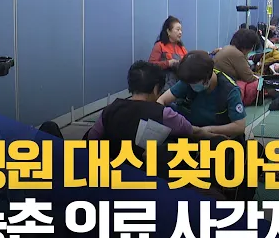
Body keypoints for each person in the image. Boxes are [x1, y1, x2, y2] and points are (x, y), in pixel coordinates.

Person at [86, 62, 214, 163]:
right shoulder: (164, 114)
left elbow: (92, 139)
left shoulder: (109, 109)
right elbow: (191, 131)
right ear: (156, 88)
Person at [157, 50, 246, 140]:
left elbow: (239, 126)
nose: (191, 86)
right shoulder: (189, 80)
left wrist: (208, 130)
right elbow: (161, 100)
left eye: (194, 84)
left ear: (207, 79)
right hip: (191, 129)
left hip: (213, 134)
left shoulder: (230, 90)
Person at [214, 28, 261, 106]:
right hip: (225, 87)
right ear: (248, 46)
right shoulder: (237, 54)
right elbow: (248, 77)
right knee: (256, 84)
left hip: (220, 85)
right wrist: (261, 78)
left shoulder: (228, 48)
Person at [148, 16, 188, 93]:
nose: (180, 32)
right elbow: (150, 65)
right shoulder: (160, 45)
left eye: (181, 30)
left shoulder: (182, 48)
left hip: (180, 85)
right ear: (168, 31)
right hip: (165, 86)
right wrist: (168, 63)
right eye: (178, 29)